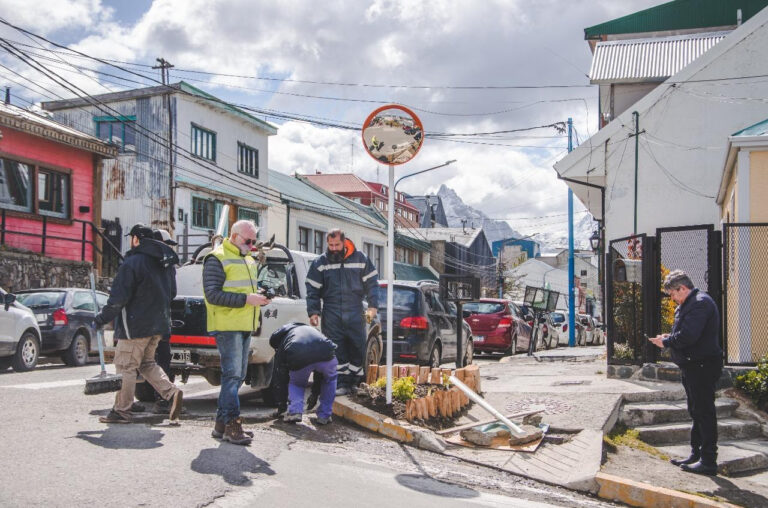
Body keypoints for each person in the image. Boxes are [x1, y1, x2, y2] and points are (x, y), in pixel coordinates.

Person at [93, 224, 183, 425]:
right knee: (147, 363)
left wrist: (101, 318)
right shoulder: (164, 263)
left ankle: (121, 411)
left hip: (134, 327)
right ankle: (172, 393)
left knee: (126, 366)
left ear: (136, 239)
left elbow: (118, 298)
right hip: (159, 325)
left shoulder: (132, 263)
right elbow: (172, 293)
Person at [203, 220, 271, 445]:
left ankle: (221, 425)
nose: (251, 246)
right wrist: (247, 299)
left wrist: (258, 295)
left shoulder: (248, 259)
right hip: (227, 325)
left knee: (237, 376)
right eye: (248, 241)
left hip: (244, 324)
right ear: (233, 236)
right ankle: (232, 424)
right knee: (232, 376)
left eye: (254, 241)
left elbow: (243, 290)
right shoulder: (216, 258)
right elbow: (212, 294)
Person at [649, 270, 723, 476]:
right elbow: (685, 333)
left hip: (702, 366)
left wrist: (666, 341)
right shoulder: (689, 304)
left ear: (683, 288)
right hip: (692, 365)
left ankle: (708, 460)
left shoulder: (700, 303)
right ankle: (696, 454)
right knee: (696, 410)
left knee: (704, 411)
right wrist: (669, 337)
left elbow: (689, 336)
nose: (672, 298)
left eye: (673, 294)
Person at [306, 229, 378, 396]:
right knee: (336, 350)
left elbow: (372, 284)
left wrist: (373, 307)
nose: (334, 248)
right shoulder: (320, 263)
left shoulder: (361, 259)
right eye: (330, 245)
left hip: (356, 309)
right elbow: (313, 289)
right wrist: (313, 312)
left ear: (344, 242)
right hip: (331, 312)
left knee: (358, 345)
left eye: (337, 244)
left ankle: (356, 382)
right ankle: (341, 383)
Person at [269, 322, 337, 425]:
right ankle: (325, 415)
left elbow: (280, 380)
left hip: (299, 355)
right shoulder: (311, 330)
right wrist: (314, 394)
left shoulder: (283, 343)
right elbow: (320, 375)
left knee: (297, 383)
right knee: (329, 380)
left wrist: (281, 406)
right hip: (328, 354)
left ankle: (294, 412)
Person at [150, 228, 178, 414]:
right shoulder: (168, 265)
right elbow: (172, 292)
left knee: (143, 361)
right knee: (161, 358)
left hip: (142, 322)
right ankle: (165, 397)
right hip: (162, 320)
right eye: (168, 244)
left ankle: (124, 401)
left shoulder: (139, 261)